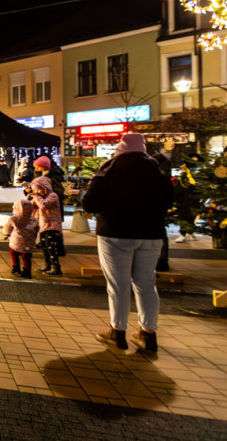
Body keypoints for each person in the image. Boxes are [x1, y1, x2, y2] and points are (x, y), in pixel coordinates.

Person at [82, 133, 174, 353]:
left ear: (120, 149)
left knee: (118, 285)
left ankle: (117, 332)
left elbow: (90, 203)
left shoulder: (110, 170)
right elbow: (169, 200)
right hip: (151, 235)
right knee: (146, 284)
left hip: (116, 233)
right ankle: (148, 334)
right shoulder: (156, 171)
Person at [30, 176, 65, 276]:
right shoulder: (39, 197)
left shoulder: (53, 195)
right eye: (34, 189)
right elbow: (32, 206)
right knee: (44, 245)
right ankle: (47, 264)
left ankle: (56, 267)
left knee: (51, 246)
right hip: (43, 225)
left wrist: (36, 197)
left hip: (52, 225)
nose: (36, 191)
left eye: (38, 188)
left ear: (45, 187)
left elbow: (43, 205)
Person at [3, 198, 39, 279]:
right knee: (26, 256)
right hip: (29, 241)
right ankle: (27, 271)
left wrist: (7, 233)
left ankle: (16, 268)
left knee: (13, 253)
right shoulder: (34, 219)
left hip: (16, 240)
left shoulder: (14, 219)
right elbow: (37, 229)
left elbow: (7, 227)